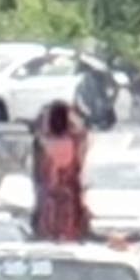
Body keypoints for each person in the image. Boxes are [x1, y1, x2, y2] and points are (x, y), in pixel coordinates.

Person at [29, 98, 91, 244]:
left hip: (48, 197)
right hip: (69, 196)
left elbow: (38, 172)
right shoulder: (75, 141)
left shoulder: (42, 142)